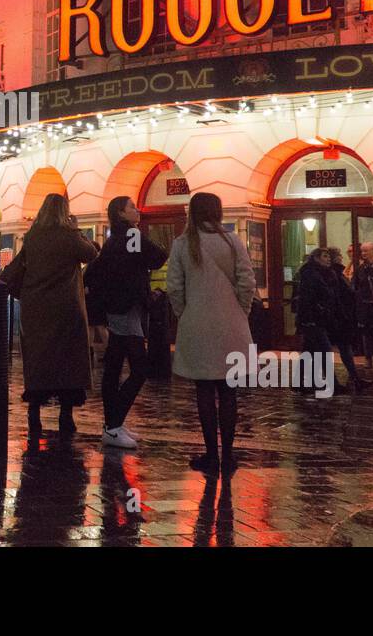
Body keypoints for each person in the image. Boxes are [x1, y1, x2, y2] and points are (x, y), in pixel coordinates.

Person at [167, 193, 255, 473]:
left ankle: (211, 454)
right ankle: (228, 454)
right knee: (229, 392)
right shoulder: (232, 242)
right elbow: (247, 281)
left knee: (203, 389)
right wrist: (241, 311)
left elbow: (174, 287)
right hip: (230, 323)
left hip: (197, 323)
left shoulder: (183, 244)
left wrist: (185, 314)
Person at [82, 196, 167, 450]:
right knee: (139, 369)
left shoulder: (114, 240)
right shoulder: (130, 235)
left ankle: (113, 426)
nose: (137, 210)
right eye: (132, 207)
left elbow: (96, 271)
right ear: (120, 213)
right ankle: (113, 424)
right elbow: (158, 256)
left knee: (114, 366)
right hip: (126, 308)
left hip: (118, 308)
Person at [14, 193, 98, 436]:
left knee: (39, 360)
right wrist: (76, 229)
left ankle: (34, 413)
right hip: (65, 308)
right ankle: (65, 415)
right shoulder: (68, 236)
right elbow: (91, 253)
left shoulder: (32, 236)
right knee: (68, 361)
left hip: (35, 307)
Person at [294, 248, 340, 396]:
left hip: (315, 319)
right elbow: (308, 299)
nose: (328, 259)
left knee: (309, 352)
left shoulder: (319, 273)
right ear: (316, 258)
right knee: (324, 350)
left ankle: (302, 382)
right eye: (325, 256)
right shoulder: (311, 274)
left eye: (328, 256)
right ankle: (331, 383)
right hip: (312, 319)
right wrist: (313, 316)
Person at [328, 247, 371, 392]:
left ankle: (353, 378)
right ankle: (342, 380)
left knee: (341, 348)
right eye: (339, 255)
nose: (342, 257)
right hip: (338, 317)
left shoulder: (337, 272)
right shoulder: (334, 273)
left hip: (342, 316)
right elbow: (340, 294)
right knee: (329, 349)